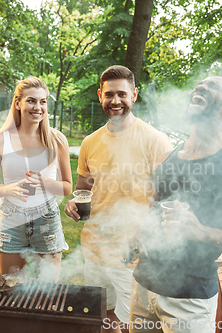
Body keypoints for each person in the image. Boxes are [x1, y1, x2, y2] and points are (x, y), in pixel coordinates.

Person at [128, 76, 222, 333]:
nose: (202, 87)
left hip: (190, 298)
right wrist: (135, 235)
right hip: (142, 286)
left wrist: (201, 232)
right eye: (200, 84)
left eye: (214, 86)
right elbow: (151, 209)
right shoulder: (167, 157)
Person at [64, 65, 172, 333]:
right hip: (94, 249)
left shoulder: (156, 141)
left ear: (134, 95)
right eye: (109, 94)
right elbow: (84, 188)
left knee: (133, 325)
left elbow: (169, 199)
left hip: (131, 255)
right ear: (100, 95)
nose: (115, 101)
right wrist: (73, 204)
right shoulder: (90, 142)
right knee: (105, 318)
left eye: (122, 94)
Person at [0, 77, 72, 280]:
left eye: (43, 101)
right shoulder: (0, 140)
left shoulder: (57, 140)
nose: (38, 107)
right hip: (12, 221)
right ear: (17, 103)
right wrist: (8, 189)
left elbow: (67, 188)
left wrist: (46, 183)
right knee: (11, 289)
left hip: (46, 220)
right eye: (31, 100)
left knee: (48, 291)